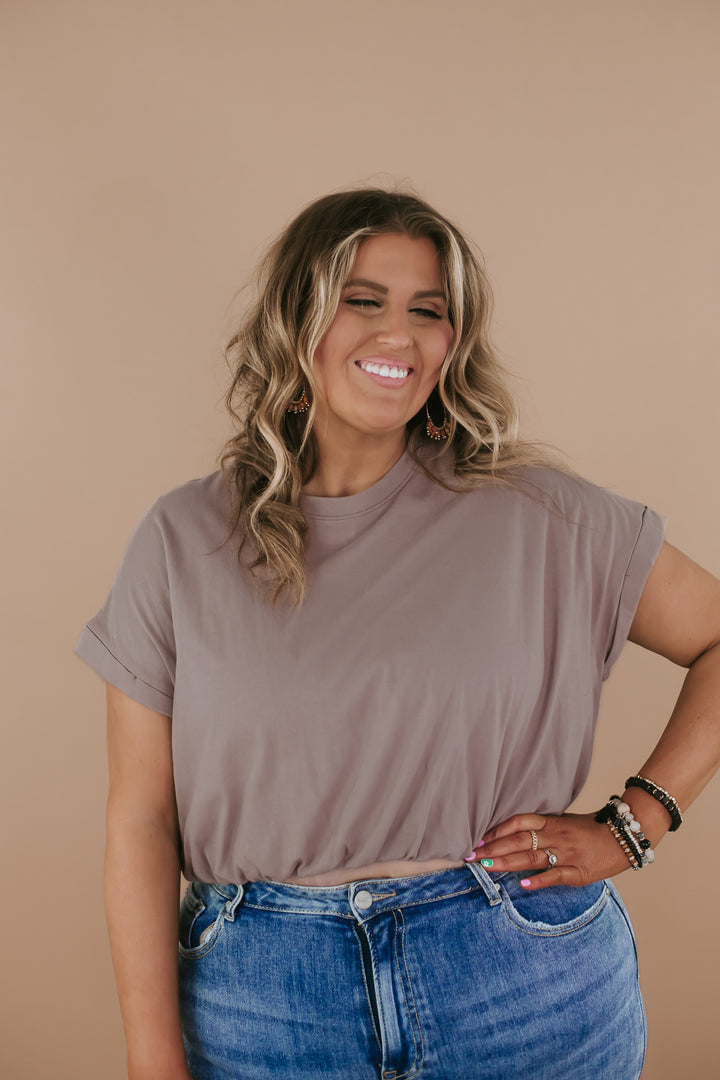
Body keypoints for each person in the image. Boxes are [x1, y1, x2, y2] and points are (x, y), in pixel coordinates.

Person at [74, 187, 720, 1080]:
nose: (399, 335)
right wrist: (154, 1060)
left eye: (428, 311)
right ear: (297, 318)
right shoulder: (183, 539)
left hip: (521, 983)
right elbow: (142, 818)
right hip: (262, 1001)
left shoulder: (540, 517)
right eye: (364, 300)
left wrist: (635, 823)